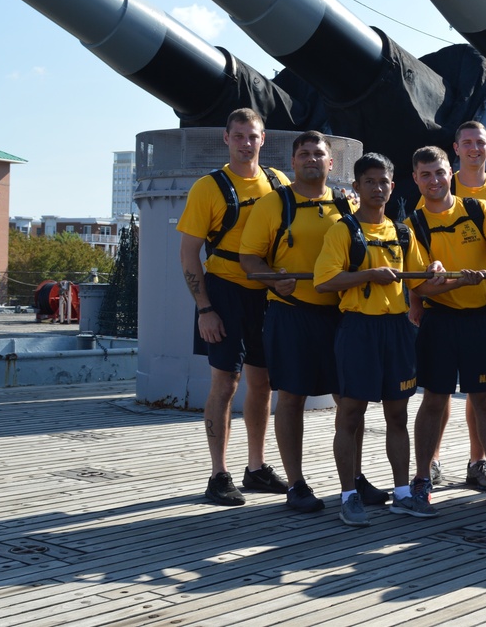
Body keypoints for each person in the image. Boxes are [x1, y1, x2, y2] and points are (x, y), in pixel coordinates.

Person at [239, 130, 384, 515]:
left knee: (351, 400)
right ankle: (297, 484)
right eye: (303, 154)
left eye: (318, 154)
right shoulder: (274, 204)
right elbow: (250, 259)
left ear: (331, 163)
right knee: (292, 398)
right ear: (293, 162)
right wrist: (273, 280)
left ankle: (353, 479)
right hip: (292, 312)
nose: (311, 160)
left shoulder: (345, 204)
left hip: (342, 313)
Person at [314, 152, 444, 527]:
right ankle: (348, 495)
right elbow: (325, 281)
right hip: (358, 328)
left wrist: (439, 272)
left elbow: (420, 280)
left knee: (397, 415)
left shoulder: (401, 232)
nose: (377, 187)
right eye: (369, 181)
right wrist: (370, 274)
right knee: (350, 414)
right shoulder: (343, 230)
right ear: (356, 187)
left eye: (383, 181)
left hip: (396, 330)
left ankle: (403, 494)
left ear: (392, 185)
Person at [395, 145, 486, 518]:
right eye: (425, 175)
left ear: (450, 173)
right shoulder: (411, 226)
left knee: (485, 401)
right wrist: (457, 282)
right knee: (433, 400)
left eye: (439, 173)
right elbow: (422, 288)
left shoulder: (479, 209)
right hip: (439, 321)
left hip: (484, 319)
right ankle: (421, 479)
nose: (434, 181)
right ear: (415, 179)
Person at [177, 107, 290, 506]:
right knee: (225, 383)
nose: (246, 143)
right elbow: (189, 254)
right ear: (226, 139)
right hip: (223, 292)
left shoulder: (278, 183)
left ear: (264, 140)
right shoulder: (208, 188)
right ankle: (218, 473)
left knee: (263, 382)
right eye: (238, 136)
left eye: (252, 136)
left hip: (266, 293)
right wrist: (205, 309)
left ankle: (256, 468)